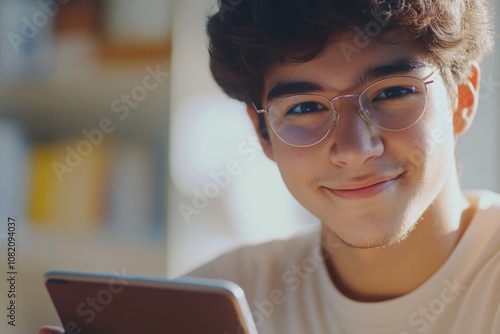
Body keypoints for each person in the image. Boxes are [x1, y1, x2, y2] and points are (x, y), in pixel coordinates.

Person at [40, 0, 498, 333]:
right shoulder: (219, 299)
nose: (354, 149)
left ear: (462, 98)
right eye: (302, 109)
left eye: (393, 93)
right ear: (263, 135)